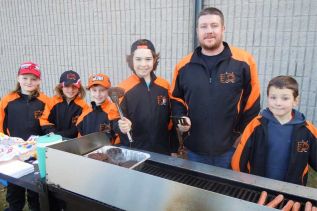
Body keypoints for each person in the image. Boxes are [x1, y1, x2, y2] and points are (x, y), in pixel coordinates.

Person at [170, 7, 260, 168]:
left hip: (230, 149)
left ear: (223, 28)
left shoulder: (243, 62)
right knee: (197, 192)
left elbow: (252, 103)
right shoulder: (183, 66)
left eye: (214, 25)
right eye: (203, 26)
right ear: (197, 30)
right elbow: (176, 100)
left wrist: (240, 136)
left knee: (227, 191)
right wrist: (180, 119)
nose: (209, 31)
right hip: (194, 150)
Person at [231, 76, 317, 185]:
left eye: (285, 98)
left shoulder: (307, 130)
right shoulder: (256, 125)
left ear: (295, 100)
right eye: (273, 97)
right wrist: (244, 182)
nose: (278, 103)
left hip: (292, 190)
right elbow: (239, 158)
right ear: (267, 98)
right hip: (258, 187)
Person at [0, 62, 50, 211]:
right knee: (15, 192)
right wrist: (6, 144)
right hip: (15, 154)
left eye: (33, 79)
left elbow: (49, 126)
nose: (29, 82)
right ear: (18, 78)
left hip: (36, 154)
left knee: (36, 193)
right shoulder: (7, 100)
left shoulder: (45, 101)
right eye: (25, 77)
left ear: (39, 81)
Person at [118, 39, 178, 155]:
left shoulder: (165, 86)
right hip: (134, 152)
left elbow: (172, 120)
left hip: (162, 150)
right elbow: (114, 119)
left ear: (154, 60)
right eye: (138, 59)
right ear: (131, 61)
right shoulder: (122, 88)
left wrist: (173, 148)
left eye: (148, 59)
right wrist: (120, 125)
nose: (143, 64)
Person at [40, 70, 89, 139]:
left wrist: (59, 135)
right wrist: (52, 133)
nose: (71, 90)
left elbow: (79, 127)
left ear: (79, 88)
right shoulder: (52, 101)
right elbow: (44, 120)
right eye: (67, 86)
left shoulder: (84, 106)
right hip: (52, 139)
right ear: (61, 87)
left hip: (71, 142)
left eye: (74, 86)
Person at [76, 73, 120, 143]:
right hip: (88, 152)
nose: (98, 94)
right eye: (94, 90)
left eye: (102, 90)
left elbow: (119, 138)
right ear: (89, 91)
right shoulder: (84, 115)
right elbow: (80, 138)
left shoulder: (115, 112)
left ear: (108, 91)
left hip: (109, 153)